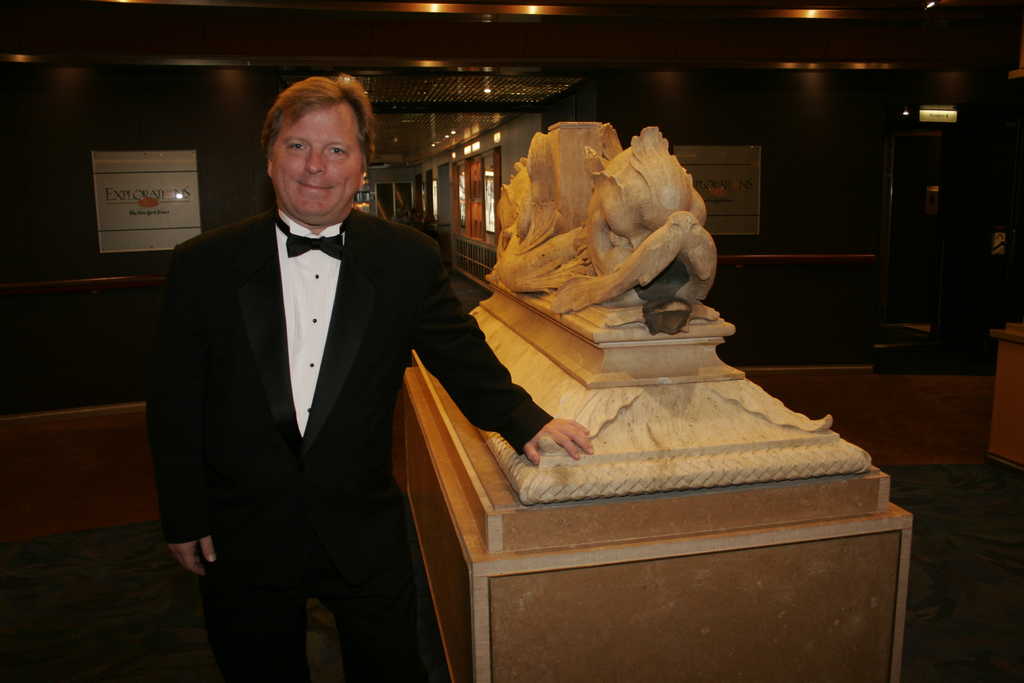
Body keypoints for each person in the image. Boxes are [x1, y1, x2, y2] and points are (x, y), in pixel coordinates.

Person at [146, 73, 592, 683]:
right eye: (298, 146)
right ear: (270, 159)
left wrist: (527, 421)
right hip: (241, 531)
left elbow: (459, 353)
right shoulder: (203, 265)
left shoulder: (405, 258)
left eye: (336, 149)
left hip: (361, 526)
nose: (315, 166)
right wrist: (182, 513)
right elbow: (175, 401)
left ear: (361, 167)